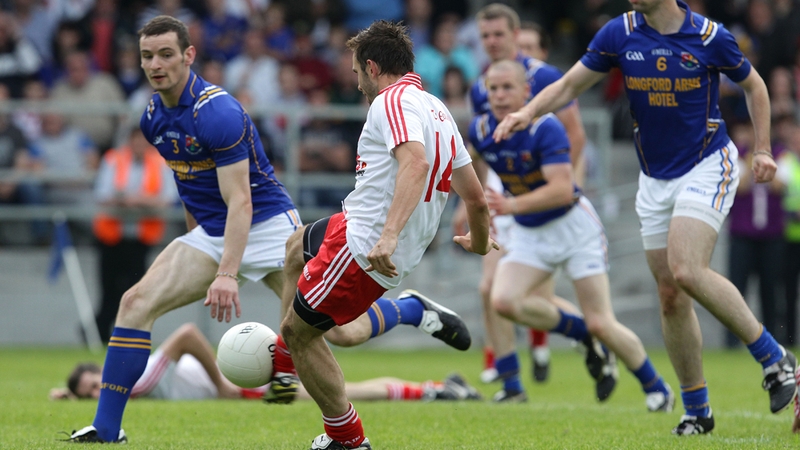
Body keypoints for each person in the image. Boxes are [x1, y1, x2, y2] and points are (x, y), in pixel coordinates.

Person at [492, 0, 795, 436]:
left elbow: (756, 87)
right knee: (670, 294)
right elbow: (569, 84)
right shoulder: (620, 32)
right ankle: (697, 410)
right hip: (654, 178)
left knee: (687, 268)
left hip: (707, 162)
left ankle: (774, 358)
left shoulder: (709, 36)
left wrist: (763, 149)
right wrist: (526, 112)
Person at [67, 15, 300, 444]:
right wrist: (198, 241)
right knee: (134, 303)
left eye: (166, 54)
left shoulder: (219, 112)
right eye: (147, 56)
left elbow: (241, 202)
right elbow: (189, 181)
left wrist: (227, 274)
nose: (156, 64)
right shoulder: (153, 117)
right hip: (215, 230)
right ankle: (106, 429)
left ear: (189, 55)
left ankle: (412, 310)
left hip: (268, 227)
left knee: (340, 330)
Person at [275, 20, 496, 450]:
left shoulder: (389, 102)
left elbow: (414, 163)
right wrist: (482, 243)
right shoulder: (437, 109)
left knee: (308, 333)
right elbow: (477, 200)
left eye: (357, 71)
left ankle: (349, 440)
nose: (355, 81)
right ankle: (287, 361)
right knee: (294, 246)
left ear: (372, 67)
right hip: (353, 227)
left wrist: (389, 235)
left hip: (362, 249)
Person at [473, 60, 674, 410]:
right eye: (493, 88)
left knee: (602, 322)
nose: (500, 95)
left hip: (573, 228)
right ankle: (579, 332)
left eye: (509, 88)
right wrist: (471, 205)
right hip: (530, 232)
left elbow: (563, 189)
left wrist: (510, 206)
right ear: (485, 93)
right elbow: (469, 162)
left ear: (526, 92)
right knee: (502, 301)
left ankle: (656, 387)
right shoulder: (479, 128)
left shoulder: (545, 127)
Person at [460, 3, 589, 389]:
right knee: (490, 288)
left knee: (527, 291)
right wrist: (473, 200)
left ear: (516, 36)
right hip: (503, 186)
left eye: (499, 34)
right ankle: (510, 377)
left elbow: (575, 134)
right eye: (485, 36)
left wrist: (569, 188)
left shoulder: (544, 76)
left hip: (545, 185)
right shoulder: (482, 86)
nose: (492, 42)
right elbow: (481, 149)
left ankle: (589, 332)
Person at [51, 323, 482, 403]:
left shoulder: (137, 382)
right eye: (90, 392)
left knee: (341, 393)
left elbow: (185, 334)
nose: (96, 393)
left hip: (244, 381)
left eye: (93, 386)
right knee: (341, 391)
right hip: (245, 378)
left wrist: (221, 385)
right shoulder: (123, 384)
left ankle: (437, 390)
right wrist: (70, 397)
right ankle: (437, 389)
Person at [91, 127, 179, 343]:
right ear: (129, 141)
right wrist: (127, 201)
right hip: (111, 237)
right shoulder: (113, 160)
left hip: (141, 239)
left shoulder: (159, 163)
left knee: (135, 290)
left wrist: (137, 201)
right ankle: (98, 334)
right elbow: (102, 194)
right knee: (109, 290)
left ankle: (127, 335)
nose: (140, 146)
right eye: (136, 141)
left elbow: (167, 198)